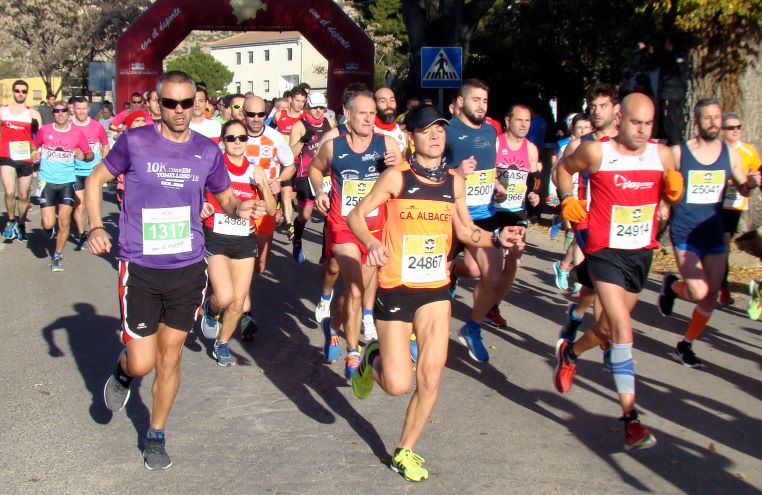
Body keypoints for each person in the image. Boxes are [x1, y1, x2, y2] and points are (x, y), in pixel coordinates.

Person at [85, 70, 266, 470]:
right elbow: (96, 178)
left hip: (186, 268)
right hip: (141, 268)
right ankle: (123, 371)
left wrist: (242, 208)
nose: (180, 110)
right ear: (157, 104)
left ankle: (156, 434)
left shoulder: (206, 150)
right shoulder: (134, 142)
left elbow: (225, 196)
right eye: (171, 103)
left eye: (187, 103)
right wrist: (96, 226)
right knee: (142, 362)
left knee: (170, 360)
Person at [347, 105, 524, 481]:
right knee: (397, 384)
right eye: (426, 130)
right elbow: (356, 215)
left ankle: (404, 451)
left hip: (435, 291)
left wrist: (496, 237)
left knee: (430, 376)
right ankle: (372, 359)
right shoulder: (397, 178)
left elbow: (465, 231)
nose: (435, 136)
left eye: (439, 130)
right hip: (395, 289)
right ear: (411, 136)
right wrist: (369, 243)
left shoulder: (454, 183)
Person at [554, 92, 684, 450]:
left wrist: (672, 194)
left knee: (609, 328)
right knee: (624, 330)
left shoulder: (663, 154)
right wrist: (568, 199)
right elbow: (562, 169)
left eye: (648, 124)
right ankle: (631, 420)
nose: (642, 131)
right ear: (619, 120)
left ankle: (571, 352)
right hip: (603, 251)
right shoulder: (598, 152)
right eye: (635, 123)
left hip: (640, 253)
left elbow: (672, 193)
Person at [658, 98, 759, 368]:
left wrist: (750, 183)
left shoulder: (730, 154)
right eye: (708, 118)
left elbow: (742, 188)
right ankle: (673, 287)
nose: (713, 122)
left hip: (714, 229)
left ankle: (685, 344)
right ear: (697, 120)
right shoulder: (680, 153)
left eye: (717, 118)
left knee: (711, 295)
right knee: (698, 288)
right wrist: (664, 204)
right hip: (686, 231)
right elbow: (665, 182)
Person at [309, 89, 401, 379]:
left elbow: (401, 177)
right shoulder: (333, 146)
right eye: (363, 113)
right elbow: (314, 169)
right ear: (347, 115)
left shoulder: (386, 143)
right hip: (343, 227)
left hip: (374, 230)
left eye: (372, 113)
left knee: (354, 294)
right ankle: (353, 352)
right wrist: (321, 190)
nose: (369, 118)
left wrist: (395, 165)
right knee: (357, 290)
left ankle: (332, 326)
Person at [199, 119, 276, 365]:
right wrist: (202, 206)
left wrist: (263, 184)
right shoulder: (213, 167)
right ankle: (210, 310)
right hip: (216, 236)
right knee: (223, 296)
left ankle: (222, 344)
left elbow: (272, 210)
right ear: (223, 141)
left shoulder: (255, 170)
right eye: (231, 138)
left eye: (242, 138)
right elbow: (194, 194)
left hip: (244, 239)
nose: (237, 143)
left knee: (238, 302)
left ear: (247, 141)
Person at [444, 78, 502, 362]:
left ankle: (473, 327)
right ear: (461, 102)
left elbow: (488, 170)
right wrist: (456, 172)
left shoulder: (491, 133)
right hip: (451, 215)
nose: (480, 105)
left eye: (485, 100)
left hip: (484, 215)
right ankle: (417, 334)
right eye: (475, 99)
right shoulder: (447, 130)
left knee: (489, 274)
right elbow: (426, 168)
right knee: (432, 280)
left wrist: (497, 186)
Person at [238, 95, 293, 337]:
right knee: (243, 260)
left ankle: (240, 295)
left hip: (266, 206)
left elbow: (290, 164)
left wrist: (278, 181)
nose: (257, 119)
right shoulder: (233, 135)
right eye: (252, 114)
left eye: (261, 114)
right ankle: (244, 313)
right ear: (243, 114)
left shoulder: (274, 137)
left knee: (260, 264)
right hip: (239, 205)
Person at [486, 103, 541, 326]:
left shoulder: (531, 149)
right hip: (493, 210)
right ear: (508, 121)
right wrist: (496, 183)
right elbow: (484, 172)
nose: (524, 125)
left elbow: (534, 180)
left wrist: (534, 196)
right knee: (494, 267)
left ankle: (493, 306)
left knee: (514, 262)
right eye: (520, 120)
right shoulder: (496, 143)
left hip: (517, 212)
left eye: (527, 121)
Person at [31, 101, 94, 271]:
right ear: (53, 114)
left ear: (69, 112)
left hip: (67, 181)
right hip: (47, 181)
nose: (60, 113)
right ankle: (48, 229)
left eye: (63, 110)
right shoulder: (45, 130)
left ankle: (57, 255)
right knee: (47, 222)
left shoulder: (76, 133)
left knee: (65, 221)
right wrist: (34, 155)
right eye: (56, 111)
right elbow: (34, 145)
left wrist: (83, 156)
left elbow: (90, 154)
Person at [288, 91, 335, 263]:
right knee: (306, 215)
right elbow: (290, 154)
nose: (318, 112)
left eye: (322, 108)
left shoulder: (329, 123)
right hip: (305, 174)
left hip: (327, 174)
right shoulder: (299, 126)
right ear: (308, 107)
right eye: (315, 108)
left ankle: (325, 253)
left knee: (329, 214)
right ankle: (298, 240)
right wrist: (302, 141)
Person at [719, 112, 761, 304]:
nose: (735, 131)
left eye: (738, 127)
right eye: (730, 127)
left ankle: (723, 286)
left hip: (735, 200)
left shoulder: (748, 150)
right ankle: (721, 284)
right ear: (722, 130)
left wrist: (752, 181)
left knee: (725, 243)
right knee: (720, 243)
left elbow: (757, 172)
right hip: (713, 199)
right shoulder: (716, 149)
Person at [1, 79, 42, 241]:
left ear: (27, 93)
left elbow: (39, 138)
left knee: (24, 195)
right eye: (17, 90)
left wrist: (36, 153)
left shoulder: (33, 114)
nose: (20, 94)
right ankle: (10, 220)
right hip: (6, 155)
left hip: (25, 157)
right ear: (13, 92)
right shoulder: (3, 111)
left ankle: (21, 222)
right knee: (10, 192)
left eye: (23, 91)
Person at [71, 96, 109, 251]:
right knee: (80, 205)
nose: (81, 112)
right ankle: (82, 235)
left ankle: (94, 227)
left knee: (95, 204)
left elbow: (105, 145)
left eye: (84, 108)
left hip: (94, 172)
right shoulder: (69, 126)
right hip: (75, 171)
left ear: (88, 109)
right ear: (73, 109)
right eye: (78, 108)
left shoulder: (96, 126)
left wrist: (102, 163)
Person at [275, 86, 307, 238]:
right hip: (284, 162)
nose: (300, 104)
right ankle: (289, 225)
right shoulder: (279, 115)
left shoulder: (305, 118)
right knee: (286, 191)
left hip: (300, 162)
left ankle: (284, 213)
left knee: (294, 195)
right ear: (290, 99)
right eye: (298, 100)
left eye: (303, 101)